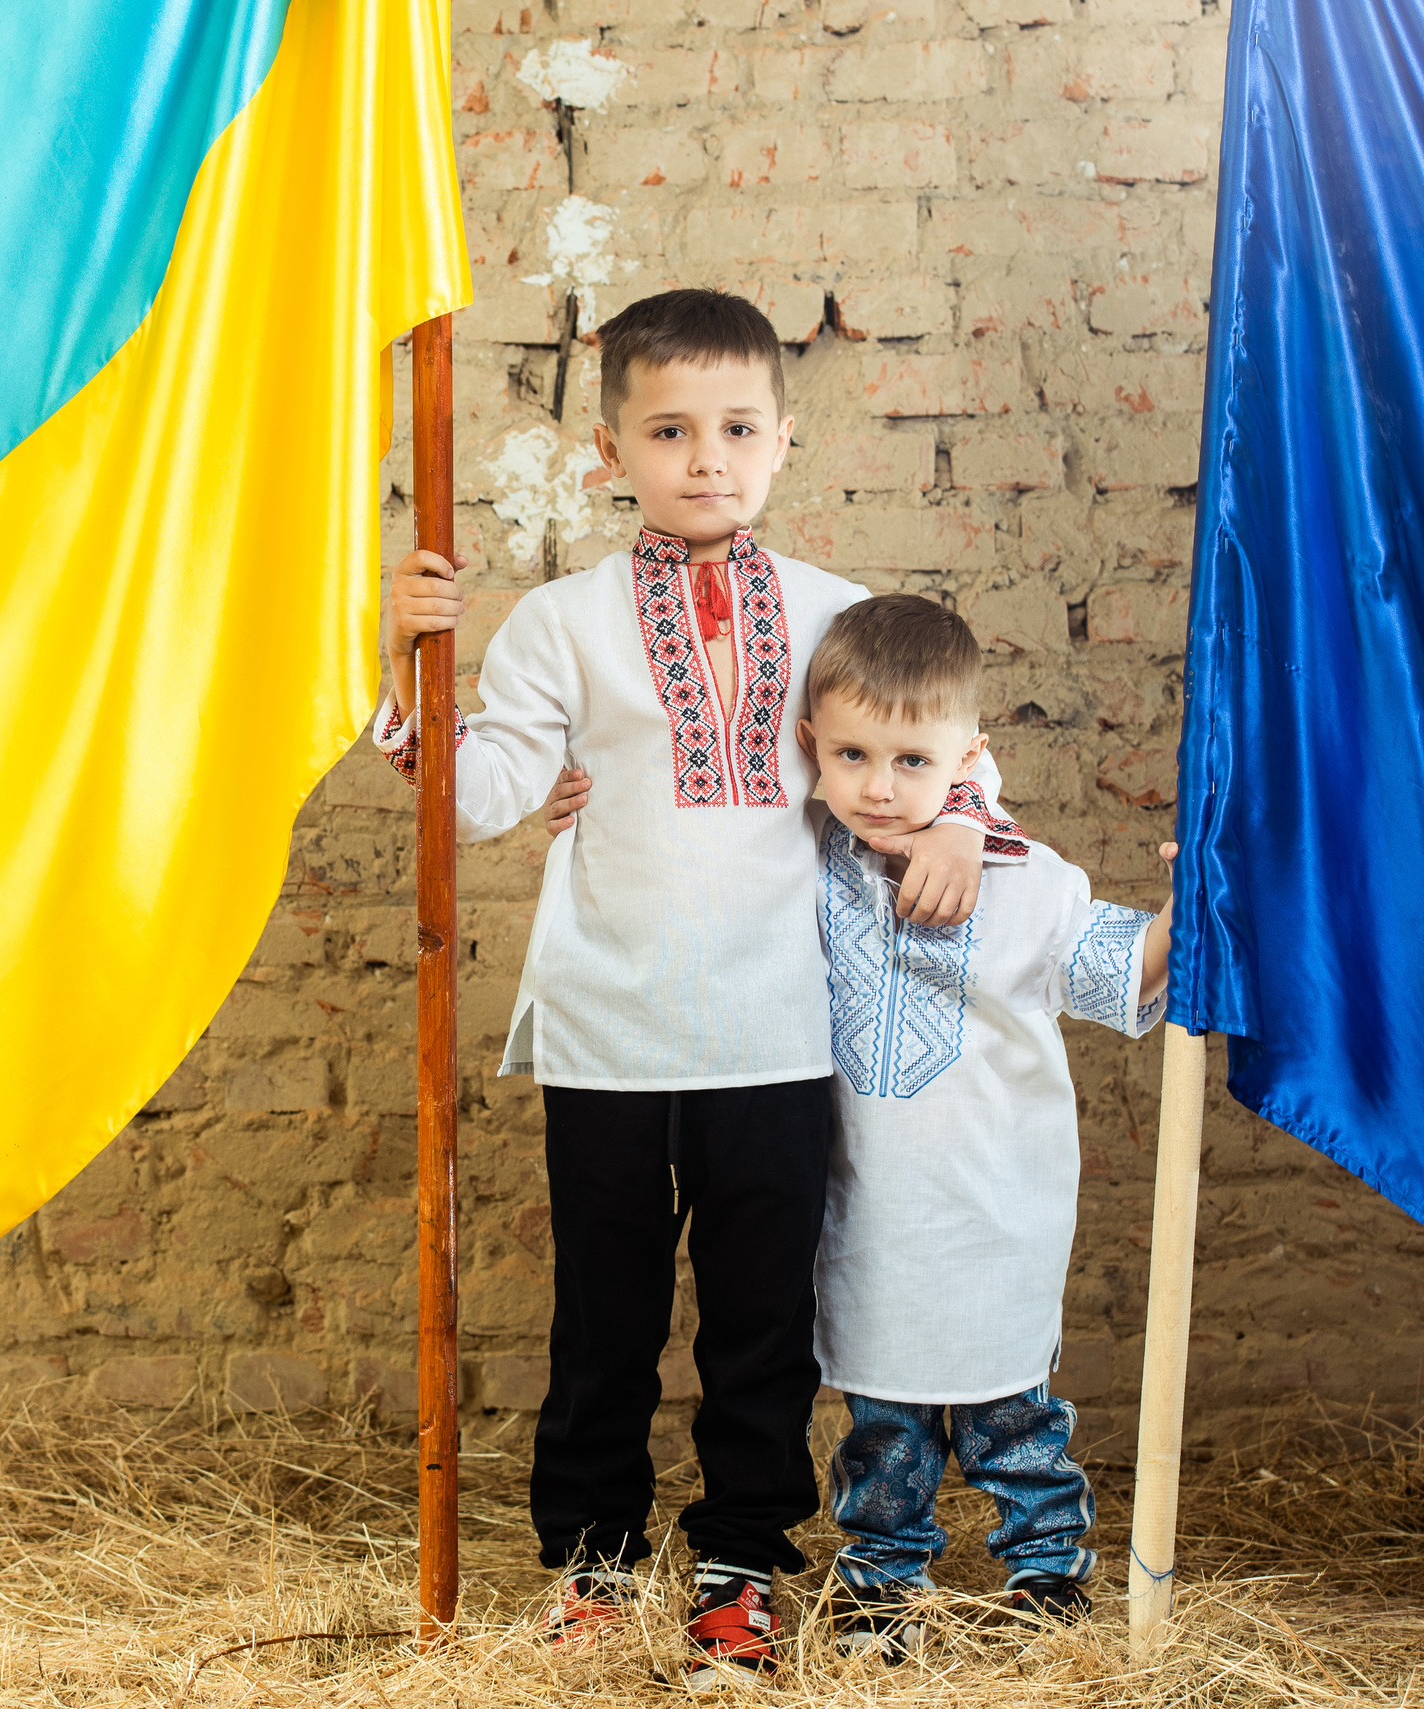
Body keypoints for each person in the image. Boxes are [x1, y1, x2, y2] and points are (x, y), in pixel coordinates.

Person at [376, 288, 1021, 1689]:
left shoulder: (840, 617)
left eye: (736, 427)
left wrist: (965, 819)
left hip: (781, 1035)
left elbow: (941, 751)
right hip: (608, 1035)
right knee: (602, 1318)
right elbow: (481, 796)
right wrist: (411, 671)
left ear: (784, 440)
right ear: (612, 453)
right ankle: (596, 1563)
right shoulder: (561, 623)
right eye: (670, 430)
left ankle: (742, 1561)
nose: (706, 457)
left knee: (761, 1322)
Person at [793, 594, 1172, 1662]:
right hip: (869, 1212)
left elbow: (1119, 971)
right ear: (813, 748)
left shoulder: (1027, 883)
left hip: (995, 1208)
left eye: (912, 760)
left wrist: (1191, 910)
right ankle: (878, 1585)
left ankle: (1048, 1572)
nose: (878, 784)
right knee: (884, 1426)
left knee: (1013, 1421)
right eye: (854, 754)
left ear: (968, 757)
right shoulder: (804, 863)